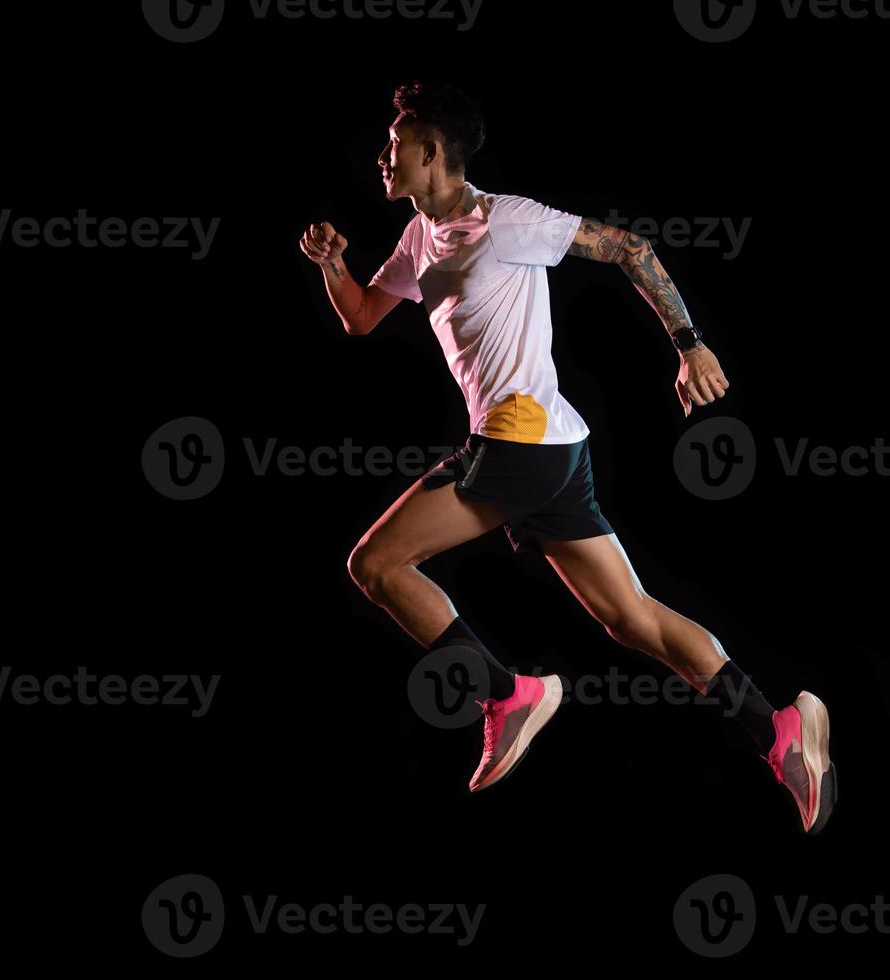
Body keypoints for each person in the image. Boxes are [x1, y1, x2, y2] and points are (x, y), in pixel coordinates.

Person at [299, 80, 836, 834]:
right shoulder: (421, 236)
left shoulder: (505, 220)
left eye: (395, 146)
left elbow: (628, 248)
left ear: (430, 152)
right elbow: (361, 319)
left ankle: (509, 695)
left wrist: (689, 344)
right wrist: (330, 266)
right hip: (551, 450)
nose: (382, 157)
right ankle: (777, 730)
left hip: (517, 442)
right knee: (632, 618)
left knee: (376, 565)